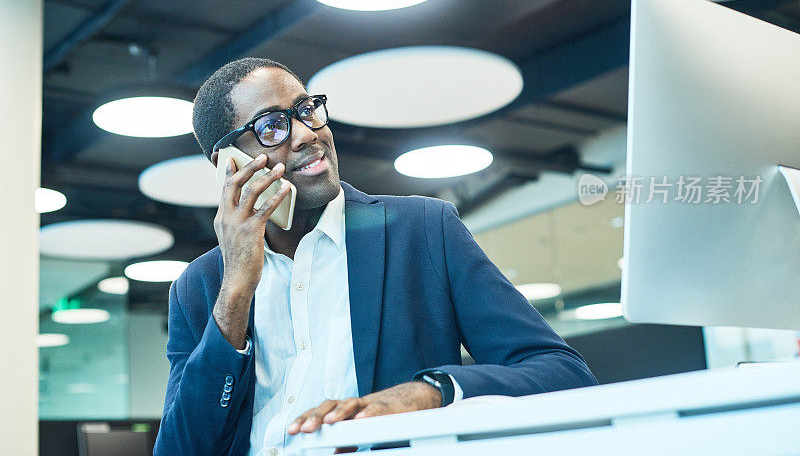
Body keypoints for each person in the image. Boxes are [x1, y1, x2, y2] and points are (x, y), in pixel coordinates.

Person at [153, 57, 597, 455]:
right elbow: (181, 448)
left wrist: (429, 393)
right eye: (273, 126)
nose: (309, 134)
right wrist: (235, 293)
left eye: (306, 110)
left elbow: (562, 373)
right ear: (229, 164)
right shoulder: (200, 286)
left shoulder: (422, 230)